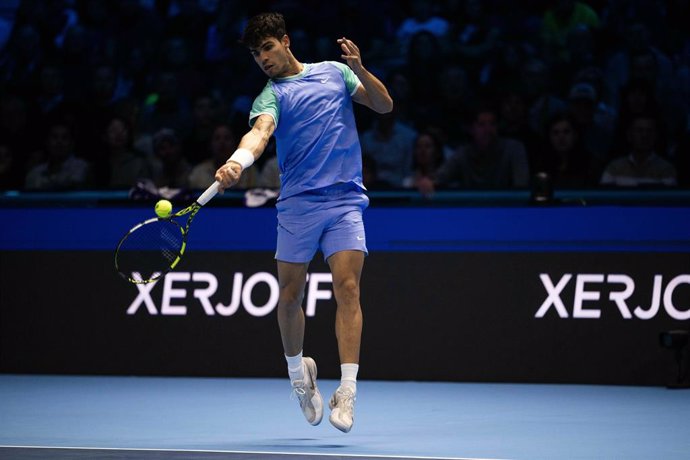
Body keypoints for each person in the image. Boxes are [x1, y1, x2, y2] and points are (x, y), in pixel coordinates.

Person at [213, 12, 393, 433]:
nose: (263, 59)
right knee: (290, 297)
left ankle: (347, 390)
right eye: (256, 54)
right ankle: (299, 374)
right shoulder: (271, 95)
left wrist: (359, 68)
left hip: (345, 200)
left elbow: (384, 105)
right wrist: (237, 162)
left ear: (286, 41)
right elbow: (259, 133)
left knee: (348, 287)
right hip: (297, 206)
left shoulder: (334, 74)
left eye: (268, 48)